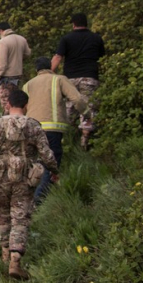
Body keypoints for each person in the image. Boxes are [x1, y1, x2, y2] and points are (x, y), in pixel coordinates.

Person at [0, 89, 59, 280]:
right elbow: (46, 154)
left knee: (3, 216)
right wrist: (54, 171)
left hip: (0, 179)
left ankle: (5, 255)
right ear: (26, 105)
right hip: (24, 179)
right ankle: (15, 260)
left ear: (8, 104)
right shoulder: (33, 126)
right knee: (20, 218)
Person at [23, 57, 89, 202]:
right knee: (51, 162)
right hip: (52, 129)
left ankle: (27, 198)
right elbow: (77, 99)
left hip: (30, 129)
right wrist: (87, 113)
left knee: (35, 163)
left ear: (36, 70)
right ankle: (39, 199)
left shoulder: (28, 85)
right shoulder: (59, 79)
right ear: (51, 68)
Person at [51, 13, 105, 150]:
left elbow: (58, 57)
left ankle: (67, 138)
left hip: (71, 79)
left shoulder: (67, 39)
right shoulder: (96, 38)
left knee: (69, 106)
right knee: (88, 107)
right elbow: (102, 59)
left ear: (73, 24)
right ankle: (85, 139)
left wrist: (49, 72)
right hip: (90, 77)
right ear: (87, 23)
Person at [0, 22, 31, 114]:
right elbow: (28, 53)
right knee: (17, 102)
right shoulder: (22, 39)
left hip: (7, 78)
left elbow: (2, 62)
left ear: (0, 31)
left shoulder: (3, 41)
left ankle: (6, 123)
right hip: (18, 76)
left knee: (7, 104)